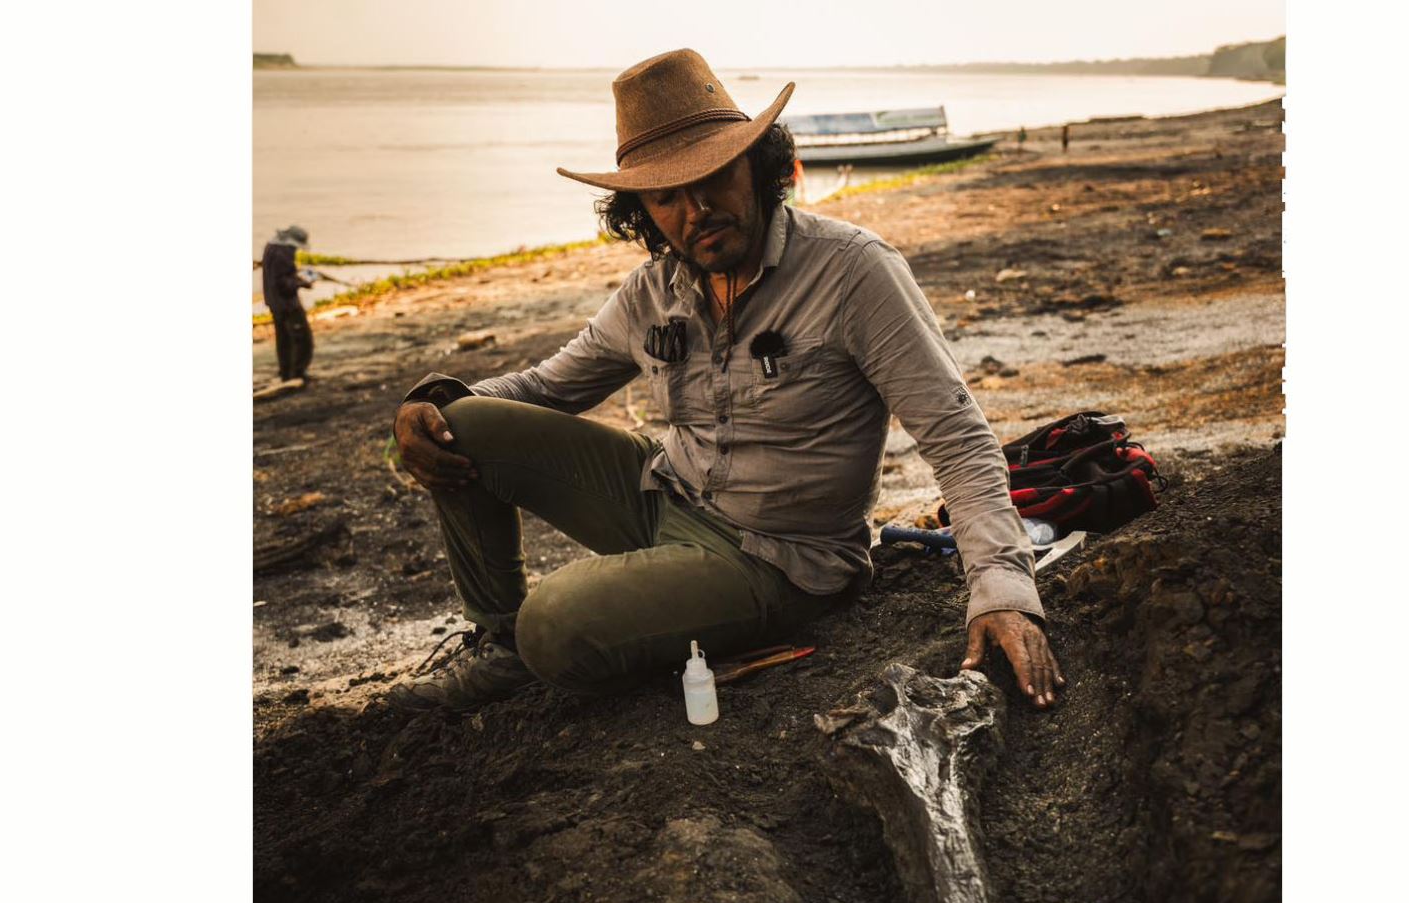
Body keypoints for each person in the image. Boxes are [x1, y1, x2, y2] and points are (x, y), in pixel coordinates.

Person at [388, 49, 1061, 712]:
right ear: (640, 210)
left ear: (759, 163)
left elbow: (957, 436)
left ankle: (545, 638)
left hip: (778, 561)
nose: (697, 208)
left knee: (556, 624)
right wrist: (428, 403)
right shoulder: (651, 293)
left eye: (714, 176)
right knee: (464, 424)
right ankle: (498, 641)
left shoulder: (852, 271)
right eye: (667, 196)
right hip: (663, 501)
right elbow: (545, 387)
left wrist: (1001, 590)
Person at [261, 225, 316, 385]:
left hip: (274, 301)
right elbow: (283, 283)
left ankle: (286, 373)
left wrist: (296, 279)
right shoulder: (283, 253)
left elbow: (278, 277)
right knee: (302, 339)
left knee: (284, 339)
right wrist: (302, 282)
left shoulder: (271, 247)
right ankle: (297, 374)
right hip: (286, 303)